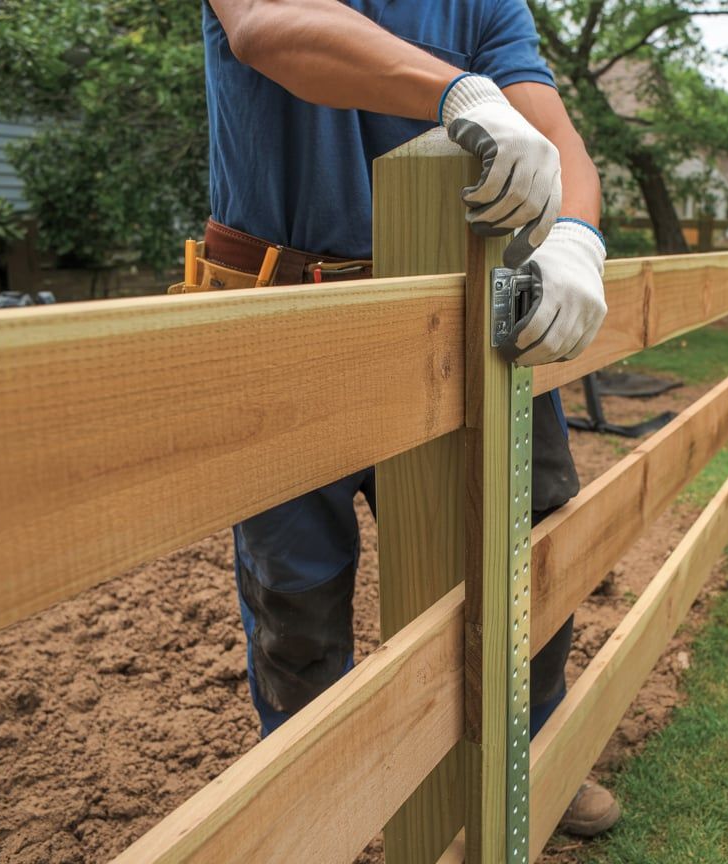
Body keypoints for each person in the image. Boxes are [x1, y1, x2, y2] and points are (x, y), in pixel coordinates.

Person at [198, 0, 619, 838]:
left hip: (465, 314)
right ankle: (319, 805)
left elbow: (553, 130)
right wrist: (459, 91)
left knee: (527, 539)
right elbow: (266, 27)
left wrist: (576, 235)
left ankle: (531, 748)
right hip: (287, 312)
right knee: (297, 588)